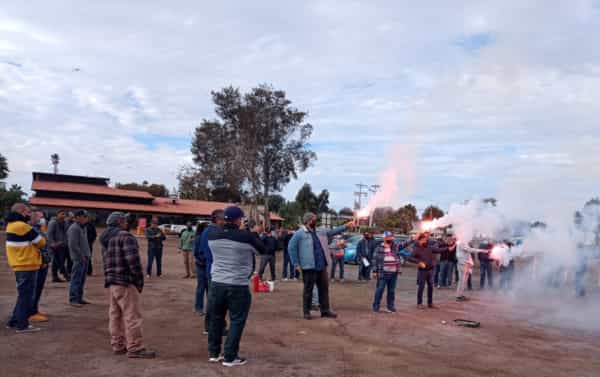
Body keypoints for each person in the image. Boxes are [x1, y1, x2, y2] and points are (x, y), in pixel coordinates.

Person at [207, 206, 266, 367]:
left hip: (217, 282)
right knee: (237, 320)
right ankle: (230, 356)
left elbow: (227, 235)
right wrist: (253, 233)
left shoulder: (212, 234)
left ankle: (213, 353)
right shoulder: (245, 237)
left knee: (216, 319)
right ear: (239, 219)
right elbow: (263, 250)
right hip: (237, 284)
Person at [100, 212, 156, 359]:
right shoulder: (126, 236)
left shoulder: (107, 238)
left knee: (115, 315)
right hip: (125, 281)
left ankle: (118, 345)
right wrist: (139, 281)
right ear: (120, 222)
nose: (127, 222)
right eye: (124, 220)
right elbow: (133, 262)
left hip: (112, 281)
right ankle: (135, 347)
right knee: (132, 315)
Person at [288, 212, 353, 320]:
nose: (316, 220)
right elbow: (291, 247)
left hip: (321, 265)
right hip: (309, 266)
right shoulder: (300, 233)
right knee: (308, 290)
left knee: (324, 289)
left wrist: (346, 226)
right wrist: (296, 264)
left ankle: (325, 310)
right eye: (314, 219)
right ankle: (306, 311)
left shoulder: (320, 231)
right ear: (309, 221)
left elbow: (333, 231)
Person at [5, 203, 46, 333]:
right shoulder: (22, 226)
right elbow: (41, 242)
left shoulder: (11, 225)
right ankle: (22, 325)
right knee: (26, 297)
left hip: (20, 264)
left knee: (23, 295)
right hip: (27, 264)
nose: (29, 214)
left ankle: (14, 320)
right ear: (21, 211)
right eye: (27, 212)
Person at [197, 209, 226, 334]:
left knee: (215, 300)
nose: (226, 221)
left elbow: (202, 252)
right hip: (217, 270)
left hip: (211, 269)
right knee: (215, 301)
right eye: (224, 219)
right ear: (219, 219)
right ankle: (210, 327)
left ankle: (217, 326)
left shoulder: (207, 231)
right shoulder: (216, 231)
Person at [408, 233, 454, 309]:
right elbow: (409, 258)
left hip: (430, 270)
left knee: (431, 287)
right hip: (422, 271)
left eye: (426, 239)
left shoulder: (429, 247)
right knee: (421, 287)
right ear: (420, 240)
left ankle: (430, 303)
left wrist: (448, 248)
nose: (426, 240)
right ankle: (419, 303)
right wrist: (419, 262)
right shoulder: (416, 248)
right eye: (424, 239)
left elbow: (438, 250)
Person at [372, 231, 402, 313]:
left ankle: (390, 306)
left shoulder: (394, 247)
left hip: (393, 273)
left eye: (391, 237)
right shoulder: (379, 248)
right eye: (388, 237)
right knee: (380, 290)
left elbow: (404, 244)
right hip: (383, 273)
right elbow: (375, 260)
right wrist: (374, 271)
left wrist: (413, 239)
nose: (390, 238)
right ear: (384, 238)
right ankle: (376, 306)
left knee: (391, 291)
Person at [30, 210, 51, 323]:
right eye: (40, 217)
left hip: (43, 262)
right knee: (34, 288)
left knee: (38, 288)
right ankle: (31, 312)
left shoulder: (41, 229)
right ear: (33, 217)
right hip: (37, 263)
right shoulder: (32, 229)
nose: (42, 219)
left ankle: (35, 309)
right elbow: (40, 246)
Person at [67, 209, 91, 307]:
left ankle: (79, 297)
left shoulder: (82, 227)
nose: (86, 218)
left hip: (85, 256)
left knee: (82, 279)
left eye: (86, 216)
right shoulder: (74, 228)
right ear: (77, 217)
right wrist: (81, 256)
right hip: (79, 258)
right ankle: (73, 299)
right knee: (76, 278)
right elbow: (73, 245)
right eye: (84, 216)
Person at [47, 209, 69, 282]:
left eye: (64, 214)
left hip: (63, 245)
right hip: (55, 245)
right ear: (57, 214)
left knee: (57, 262)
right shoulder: (53, 222)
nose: (63, 216)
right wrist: (52, 243)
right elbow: (49, 234)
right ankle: (65, 275)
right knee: (59, 261)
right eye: (62, 214)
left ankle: (55, 276)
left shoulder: (65, 222)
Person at [193, 222, 209, 315]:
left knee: (209, 288)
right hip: (201, 266)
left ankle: (209, 309)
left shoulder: (209, 238)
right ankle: (198, 308)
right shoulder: (198, 238)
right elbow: (196, 253)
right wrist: (203, 260)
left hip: (209, 266)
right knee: (201, 287)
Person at [64, 211, 75, 280]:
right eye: (71, 216)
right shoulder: (64, 223)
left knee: (70, 259)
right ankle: (66, 273)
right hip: (64, 243)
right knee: (62, 260)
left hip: (70, 243)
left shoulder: (73, 223)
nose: (72, 217)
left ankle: (69, 272)